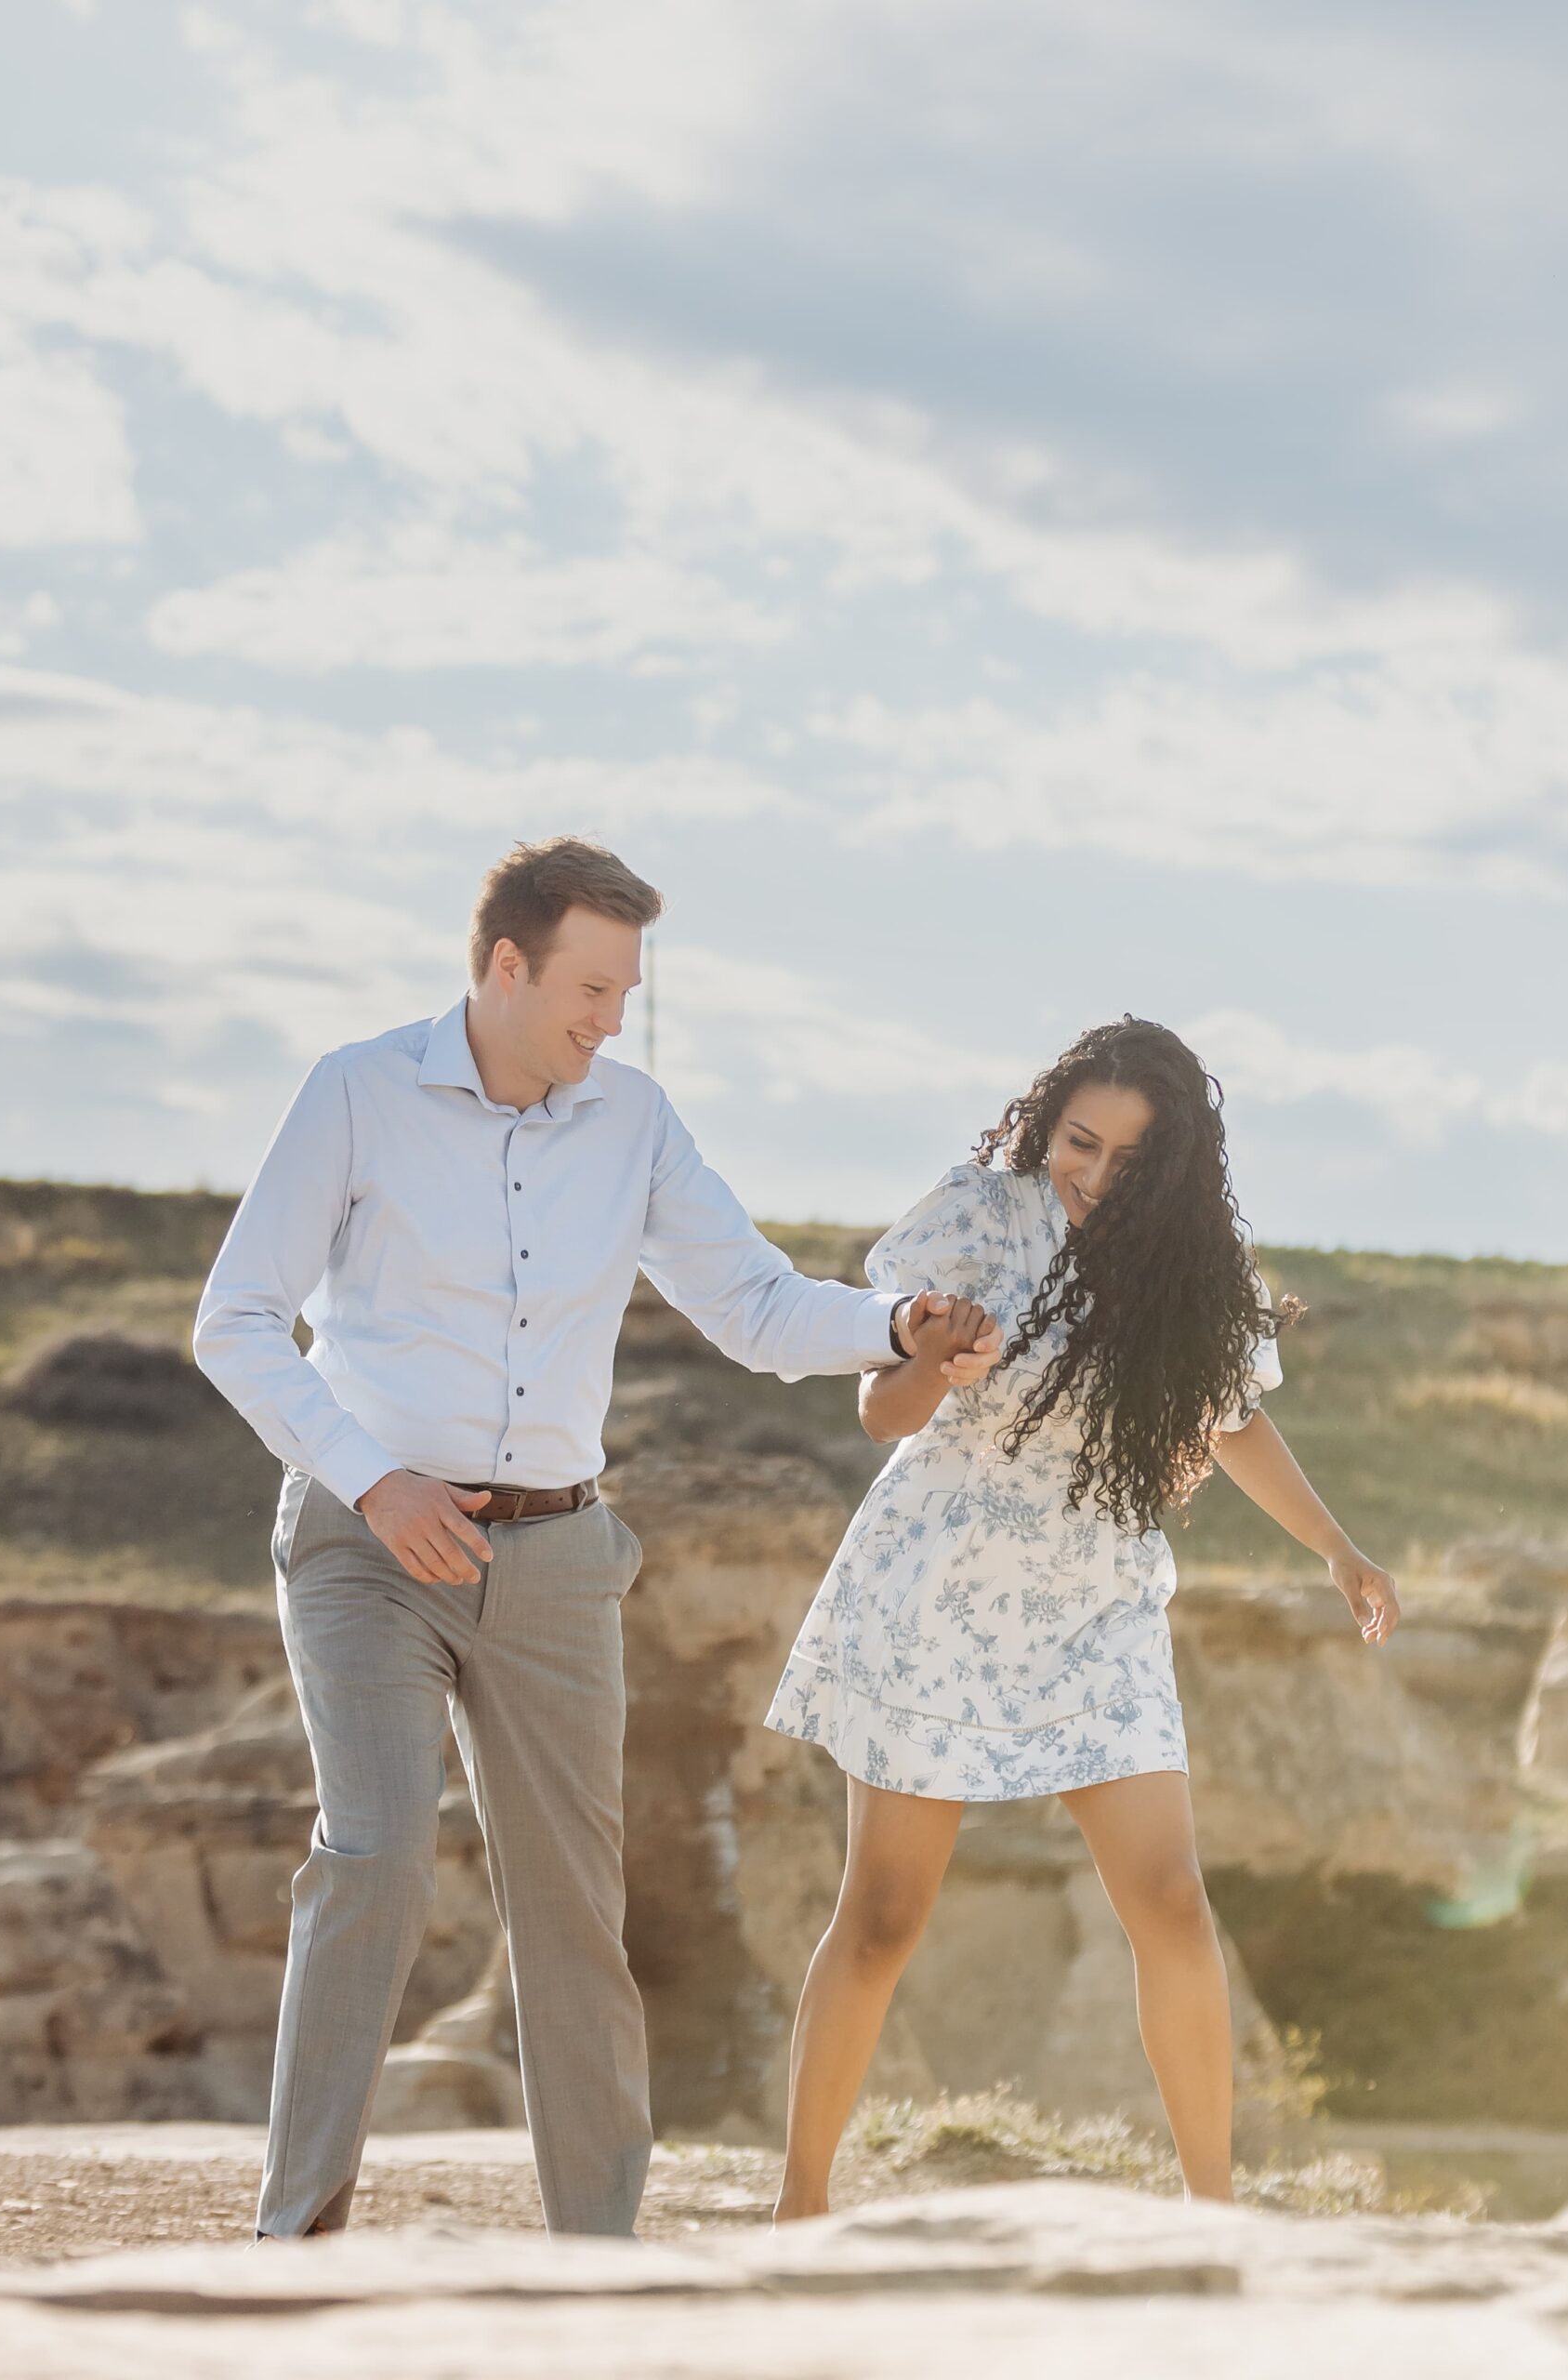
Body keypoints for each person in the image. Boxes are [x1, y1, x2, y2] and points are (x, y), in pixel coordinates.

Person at [193, 836, 997, 2242]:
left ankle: (599, 2260)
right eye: (589, 988)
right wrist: (375, 1481)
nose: (609, 1020)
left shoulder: (632, 1121)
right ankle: (293, 2240)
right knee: (373, 1860)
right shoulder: (357, 1093)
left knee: (574, 1910)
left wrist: (892, 1326)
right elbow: (236, 1321)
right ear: (504, 967)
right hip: (370, 1539)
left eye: (625, 995)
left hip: (559, 1555)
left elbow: (748, 1303)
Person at [764, 1016, 1400, 2218]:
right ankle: (802, 2206)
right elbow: (879, 1415)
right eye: (1078, 1142)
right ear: (1045, 1122)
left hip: (1096, 1600)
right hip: (940, 1589)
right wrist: (933, 1363)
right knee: (886, 1914)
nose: (1095, 1174)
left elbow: (1234, 1420)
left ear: (1174, 1169)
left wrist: (1338, 1550)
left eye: (1127, 1158)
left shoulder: (1197, 1271)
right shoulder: (976, 1215)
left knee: (1169, 1900)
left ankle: (1214, 2212)